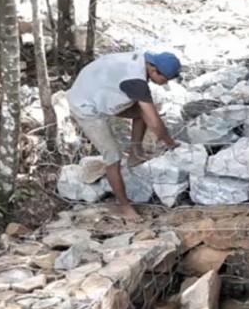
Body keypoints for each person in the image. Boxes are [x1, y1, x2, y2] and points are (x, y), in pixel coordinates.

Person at [67, 51, 181, 222]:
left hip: (96, 88)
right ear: (153, 70)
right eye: (164, 80)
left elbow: (149, 114)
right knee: (113, 156)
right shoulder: (136, 81)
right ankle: (125, 207)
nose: (165, 83)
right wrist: (171, 144)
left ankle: (135, 154)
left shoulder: (140, 63)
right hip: (85, 105)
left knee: (143, 111)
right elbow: (156, 123)